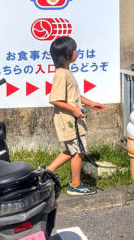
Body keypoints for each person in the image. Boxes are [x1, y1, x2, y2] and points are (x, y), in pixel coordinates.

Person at [47, 36, 106, 195]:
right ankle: (75, 185)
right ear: (67, 54)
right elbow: (54, 99)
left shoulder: (66, 72)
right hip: (69, 120)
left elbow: (74, 96)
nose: (76, 52)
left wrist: (91, 103)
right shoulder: (61, 75)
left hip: (72, 119)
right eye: (74, 49)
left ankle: (46, 172)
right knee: (78, 150)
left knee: (72, 148)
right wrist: (74, 110)